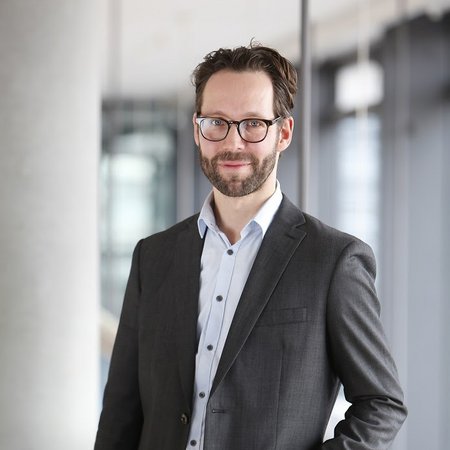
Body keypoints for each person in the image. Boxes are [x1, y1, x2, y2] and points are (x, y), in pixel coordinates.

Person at [94, 42, 407, 450]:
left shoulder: (333, 261)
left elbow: (382, 403)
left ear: (284, 133)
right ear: (197, 130)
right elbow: (120, 412)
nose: (233, 142)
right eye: (217, 122)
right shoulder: (153, 257)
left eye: (253, 124)